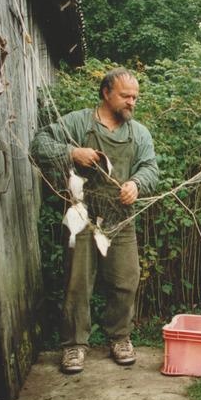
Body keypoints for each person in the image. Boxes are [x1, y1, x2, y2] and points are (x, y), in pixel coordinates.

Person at [30, 68, 158, 374]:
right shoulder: (76, 122)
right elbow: (39, 146)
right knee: (77, 282)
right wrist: (72, 152)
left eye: (135, 97)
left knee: (126, 279)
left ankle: (120, 337)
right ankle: (74, 344)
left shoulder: (138, 133)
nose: (132, 102)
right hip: (81, 213)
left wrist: (137, 184)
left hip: (120, 217)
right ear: (106, 93)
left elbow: (151, 168)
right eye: (126, 96)